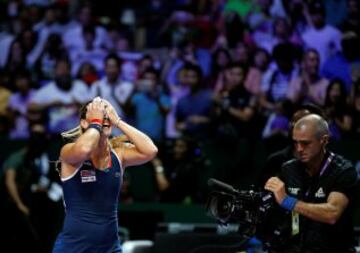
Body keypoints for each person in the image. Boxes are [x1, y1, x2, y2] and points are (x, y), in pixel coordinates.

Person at [52, 97, 158, 253]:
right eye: (99, 115)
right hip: (73, 247)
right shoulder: (69, 151)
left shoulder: (119, 155)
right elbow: (84, 150)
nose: (103, 118)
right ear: (84, 123)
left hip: (110, 248)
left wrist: (118, 121)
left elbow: (151, 151)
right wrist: (96, 122)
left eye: (106, 115)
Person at [264, 114, 359, 252]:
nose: (299, 149)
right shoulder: (288, 169)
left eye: (306, 143)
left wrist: (287, 201)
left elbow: (332, 213)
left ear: (324, 140)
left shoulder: (343, 171)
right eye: (296, 142)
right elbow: (283, 211)